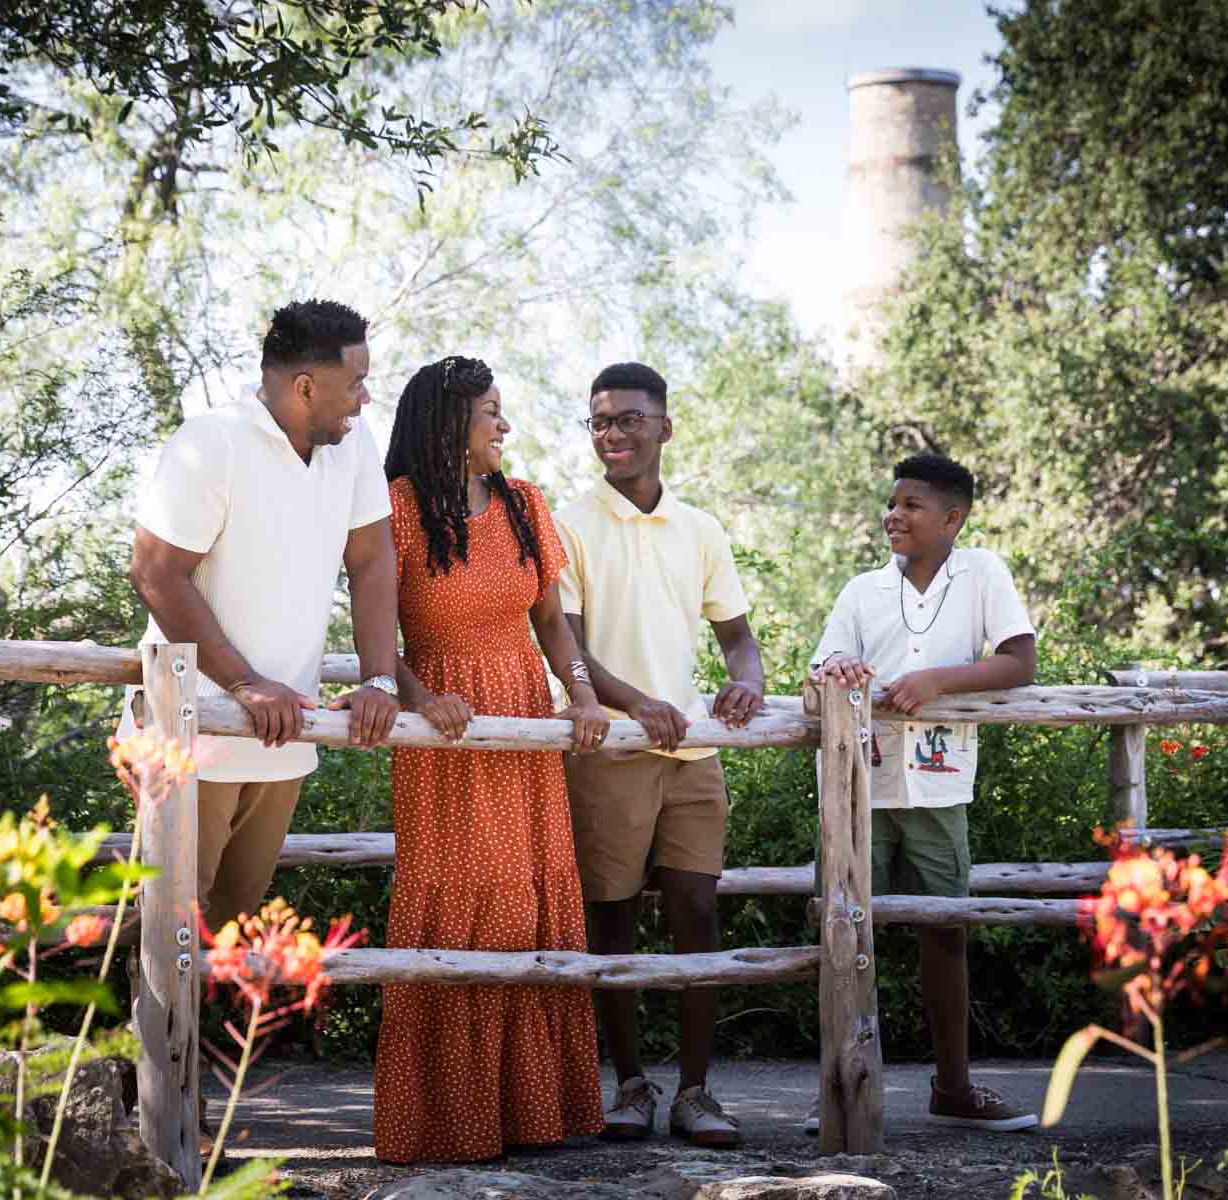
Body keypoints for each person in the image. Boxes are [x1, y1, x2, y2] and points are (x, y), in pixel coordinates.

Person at [373, 355, 608, 1164]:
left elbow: (551, 617)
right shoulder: (395, 510)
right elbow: (378, 636)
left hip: (523, 725)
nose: (504, 427)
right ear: (448, 425)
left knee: (528, 903)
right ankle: (448, 1118)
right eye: (489, 414)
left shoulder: (525, 505)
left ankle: (533, 1111)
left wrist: (578, 693)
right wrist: (416, 695)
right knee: (459, 902)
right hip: (446, 732)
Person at [123, 299, 401, 934]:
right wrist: (244, 683)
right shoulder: (211, 442)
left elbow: (372, 561)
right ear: (306, 386)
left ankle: (226, 1041)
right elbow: (154, 572)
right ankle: (155, 1041)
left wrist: (380, 680)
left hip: (284, 743)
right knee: (172, 935)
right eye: (356, 382)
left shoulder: (353, 449)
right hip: (192, 734)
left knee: (233, 940)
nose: (364, 399)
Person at [552, 362, 766, 1147]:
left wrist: (746, 685)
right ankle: (631, 1086)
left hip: (691, 751)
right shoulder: (567, 522)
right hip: (608, 746)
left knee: (698, 909)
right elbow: (564, 644)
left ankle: (698, 1092)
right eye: (600, 421)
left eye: (629, 419)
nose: (612, 433)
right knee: (610, 916)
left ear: (665, 427)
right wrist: (630, 703)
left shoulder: (701, 528)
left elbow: (738, 639)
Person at [807, 451, 1039, 1133]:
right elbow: (820, 674)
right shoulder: (861, 591)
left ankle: (955, 1089)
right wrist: (837, 669)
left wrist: (938, 680)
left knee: (946, 933)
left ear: (952, 517)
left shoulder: (983, 574)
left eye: (911, 505)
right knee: (844, 935)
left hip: (939, 786)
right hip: (857, 791)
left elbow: (1020, 661)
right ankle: (840, 1090)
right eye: (892, 503)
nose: (893, 516)